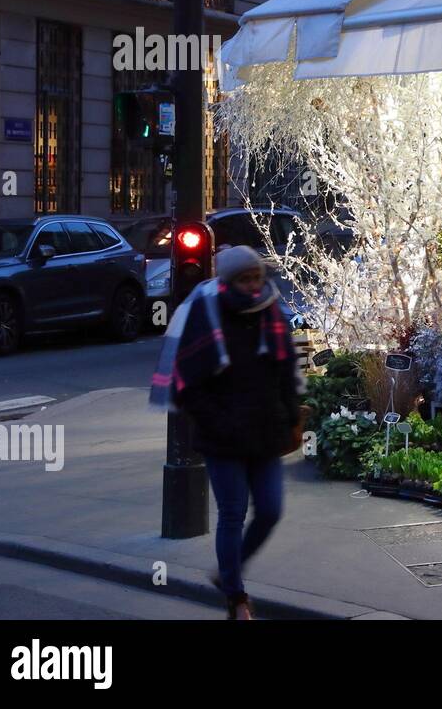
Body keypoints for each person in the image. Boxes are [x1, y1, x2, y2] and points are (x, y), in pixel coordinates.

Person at [152, 245, 301, 619]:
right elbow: (189, 385)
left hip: (265, 432)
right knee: (232, 514)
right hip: (223, 438)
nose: (253, 285)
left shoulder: (271, 310)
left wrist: (293, 417)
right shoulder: (207, 314)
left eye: (256, 277)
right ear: (228, 280)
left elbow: (286, 372)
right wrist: (217, 421)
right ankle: (236, 597)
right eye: (244, 279)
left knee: (270, 510)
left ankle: (228, 572)